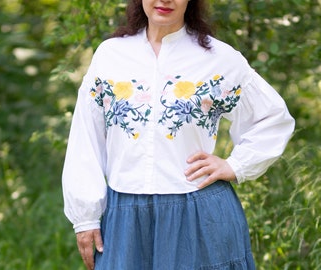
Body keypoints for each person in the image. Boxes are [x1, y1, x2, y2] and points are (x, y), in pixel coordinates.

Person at [62, 0, 295, 269]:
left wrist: (235, 164)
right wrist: (86, 217)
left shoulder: (218, 58)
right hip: (125, 220)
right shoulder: (110, 56)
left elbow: (273, 118)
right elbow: (85, 138)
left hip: (198, 216)